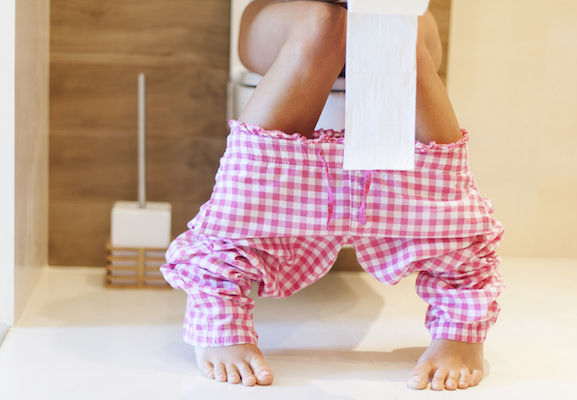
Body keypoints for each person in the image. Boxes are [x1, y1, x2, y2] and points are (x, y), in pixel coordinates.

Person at [160, 0, 504, 391]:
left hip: (397, 19)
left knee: (395, 26)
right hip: (287, 18)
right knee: (323, 22)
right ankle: (220, 310)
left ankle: (460, 325)